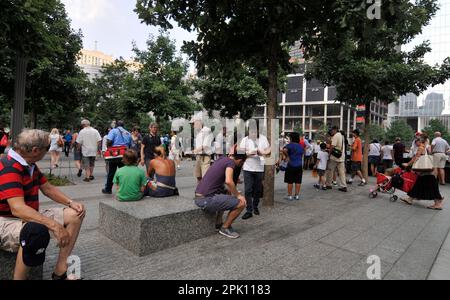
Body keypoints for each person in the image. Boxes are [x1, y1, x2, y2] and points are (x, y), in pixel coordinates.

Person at [0, 129, 86, 280]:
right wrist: (55, 226)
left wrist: (71, 202)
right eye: (47, 148)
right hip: (6, 220)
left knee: (75, 215)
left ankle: (60, 271)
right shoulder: (9, 167)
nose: (48, 151)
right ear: (35, 150)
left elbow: (47, 188)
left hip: (27, 216)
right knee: (35, 232)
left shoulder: (28, 163)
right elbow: (17, 208)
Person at [194, 147, 247, 239]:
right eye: (242, 163)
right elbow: (229, 181)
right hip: (206, 200)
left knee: (226, 192)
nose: (241, 165)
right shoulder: (231, 163)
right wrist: (238, 195)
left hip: (199, 196)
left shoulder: (222, 159)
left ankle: (218, 223)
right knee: (242, 203)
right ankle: (225, 227)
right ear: (240, 161)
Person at [401, 138, 444, 210]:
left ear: (420, 141)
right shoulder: (427, 147)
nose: (415, 143)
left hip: (425, 171)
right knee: (420, 183)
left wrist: (408, 164)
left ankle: (438, 202)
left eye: (416, 141)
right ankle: (410, 199)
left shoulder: (421, 147)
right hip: (428, 169)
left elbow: (416, 157)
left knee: (430, 184)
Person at [239, 126, 271, 220]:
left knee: (257, 190)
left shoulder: (263, 138)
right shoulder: (245, 140)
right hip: (248, 167)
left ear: (257, 131)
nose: (253, 134)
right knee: (248, 189)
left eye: (255, 132)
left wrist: (263, 153)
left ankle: (255, 207)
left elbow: (268, 150)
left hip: (259, 168)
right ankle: (249, 210)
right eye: (251, 132)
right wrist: (248, 154)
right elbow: (240, 152)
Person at [102, 120, 131, 194]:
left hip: (114, 155)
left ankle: (108, 189)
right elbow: (130, 145)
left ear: (116, 125)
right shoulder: (127, 133)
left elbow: (109, 141)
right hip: (124, 154)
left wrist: (109, 147)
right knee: (124, 172)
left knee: (111, 172)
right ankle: (125, 188)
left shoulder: (113, 131)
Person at [325, 126, 347, 192]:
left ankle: (328, 184)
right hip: (341, 156)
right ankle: (344, 186)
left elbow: (332, 146)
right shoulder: (341, 136)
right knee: (342, 173)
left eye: (331, 130)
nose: (331, 132)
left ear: (335, 130)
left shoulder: (336, 136)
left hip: (334, 157)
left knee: (330, 170)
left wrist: (329, 154)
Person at [283, 132, 304, 200]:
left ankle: (290, 196)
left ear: (291, 138)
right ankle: (297, 195)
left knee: (290, 181)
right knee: (298, 181)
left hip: (291, 165)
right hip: (299, 165)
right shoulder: (300, 146)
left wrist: (287, 156)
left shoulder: (290, 145)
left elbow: (284, 150)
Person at [193, 117, 214, 183]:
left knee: (205, 177)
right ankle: (200, 190)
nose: (193, 126)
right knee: (198, 175)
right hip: (199, 156)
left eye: (194, 124)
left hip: (205, 156)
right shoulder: (198, 132)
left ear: (200, 123)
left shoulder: (207, 131)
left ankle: (205, 191)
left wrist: (194, 150)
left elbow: (205, 145)